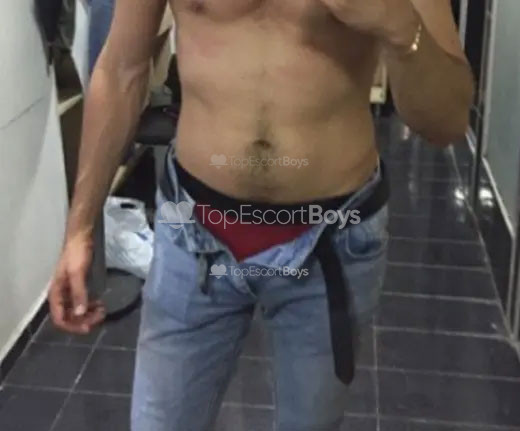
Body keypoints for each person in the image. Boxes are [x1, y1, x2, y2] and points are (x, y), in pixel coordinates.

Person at [48, 1, 474, 430]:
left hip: (331, 240)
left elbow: (448, 120)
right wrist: (80, 228)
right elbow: (121, 69)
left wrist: (398, 24)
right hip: (194, 234)